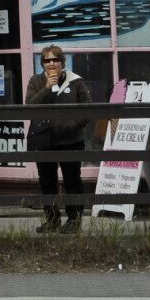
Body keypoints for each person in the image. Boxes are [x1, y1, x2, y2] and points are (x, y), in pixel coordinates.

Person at [26, 44, 92, 233]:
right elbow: (29, 106)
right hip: (44, 140)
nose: (52, 63)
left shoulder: (76, 82)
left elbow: (87, 109)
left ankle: (74, 221)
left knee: (73, 182)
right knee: (47, 183)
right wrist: (47, 88)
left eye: (55, 59)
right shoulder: (36, 81)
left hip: (71, 141)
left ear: (62, 62)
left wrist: (73, 125)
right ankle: (52, 220)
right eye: (47, 60)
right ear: (43, 64)